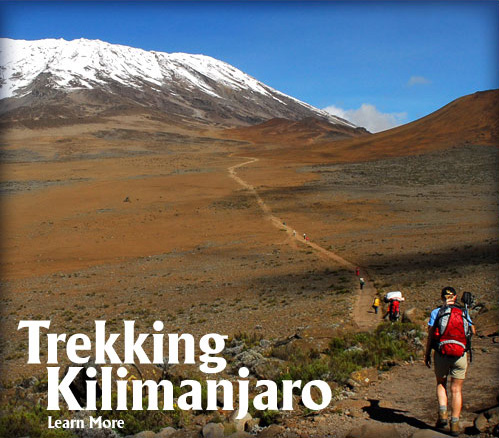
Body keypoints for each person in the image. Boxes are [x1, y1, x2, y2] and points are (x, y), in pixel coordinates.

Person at [424, 287, 475, 436]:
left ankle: (443, 413)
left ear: (442, 298)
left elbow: (430, 336)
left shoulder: (436, 312)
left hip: (441, 354)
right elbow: (473, 331)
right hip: (460, 355)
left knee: (441, 383)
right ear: (456, 296)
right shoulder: (463, 312)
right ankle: (455, 424)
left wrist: (427, 354)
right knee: (457, 389)